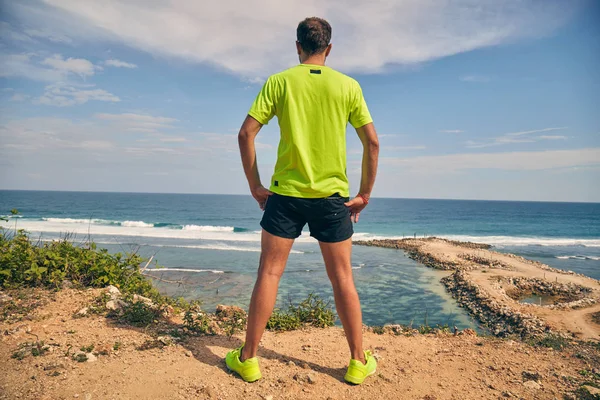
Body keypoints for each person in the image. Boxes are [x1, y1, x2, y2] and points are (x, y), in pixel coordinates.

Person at [226, 16, 379, 385]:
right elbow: (372, 143)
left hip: (285, 195)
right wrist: (364, 195)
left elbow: (246, 134)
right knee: (342, 277)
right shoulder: (348, 86)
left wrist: (256, 186)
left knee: (269, 273)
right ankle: (358, 362)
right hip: (332, 198)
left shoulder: (279, 81)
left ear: (298, 48)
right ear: (329, 48)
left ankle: (248, 359)